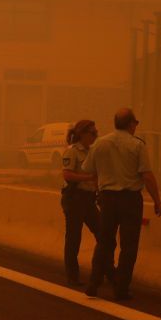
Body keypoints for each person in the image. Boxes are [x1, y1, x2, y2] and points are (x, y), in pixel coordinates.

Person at [81, 108, 161, 300]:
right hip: (130, 200)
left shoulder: (100, 144)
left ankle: (93, 282)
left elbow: (90, 170)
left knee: (104, 242)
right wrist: (157, 201)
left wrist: (99, 188)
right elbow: (147, 176)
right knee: (129, 246)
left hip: (107, 199)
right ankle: (121, 288)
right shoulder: (137, 145)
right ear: (131, 124)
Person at [60, 119, 100, 286]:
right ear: (82, 134)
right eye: (92, 133)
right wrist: (88, 178)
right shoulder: (72, 151)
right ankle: (72, 276)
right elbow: (67, 175)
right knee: (74, 238)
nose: (95, 136)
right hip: (75, 198)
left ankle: (102, 270)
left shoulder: (92, 152)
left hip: (89, 199)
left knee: (103, 233)